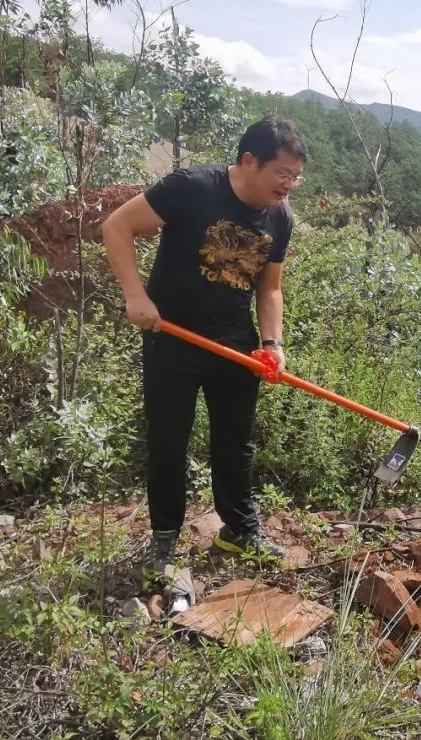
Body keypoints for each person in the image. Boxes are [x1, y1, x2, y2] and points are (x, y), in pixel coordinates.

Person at [102, 116, 307, 582]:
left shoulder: (280, 218)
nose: (289, 186)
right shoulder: (192, 188)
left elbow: (269, 288)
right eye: (282, 174)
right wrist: (136, 296)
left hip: (235, 346)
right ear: (249, 160)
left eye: (295, 177)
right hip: (173, 336)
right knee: (169, 440)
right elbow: (116, 227)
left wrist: (273, 343)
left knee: (236, 443)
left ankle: (240, 529)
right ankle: (164, 538)